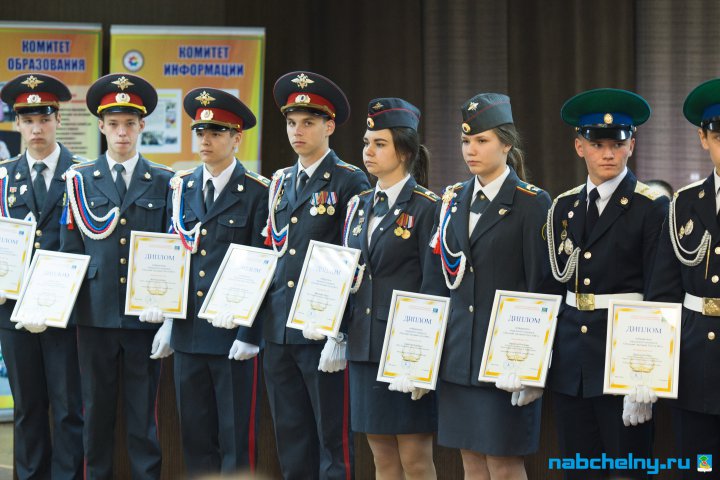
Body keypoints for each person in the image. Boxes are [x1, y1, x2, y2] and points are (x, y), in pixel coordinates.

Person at [422, 92, 551, 479]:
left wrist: (533, 366)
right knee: (472, 463)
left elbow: (540, 287)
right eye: (466, 141)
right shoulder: (452, 199)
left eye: (482, 140)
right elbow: (436, 282)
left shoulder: (531, 202)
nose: (471, 150)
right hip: (458, 355)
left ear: (506, 144)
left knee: (504, 464)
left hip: (506, 359)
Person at [545, 88, 669, 479]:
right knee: (578, 470)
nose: (608, 154)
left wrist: (645, 375)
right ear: (579, 146)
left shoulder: (652, 206)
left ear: (631, 145)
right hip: (572, 364)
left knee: (628, 471)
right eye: (597, 144)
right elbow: (551, 287)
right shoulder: (563, 206)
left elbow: (659, 295)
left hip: (623, 360)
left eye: (617, 144)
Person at [59, 73, 175, 479]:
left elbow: (172, 251)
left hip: (145, 314)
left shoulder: (165, 181)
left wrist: (168, 313)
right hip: (94, 314)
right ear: (101, 126)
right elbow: (69, 251)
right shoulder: (78, 180)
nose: (122, 132)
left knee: (144, 418)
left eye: (129, 123)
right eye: (114, 124)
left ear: (142, 126)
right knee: (96, 413)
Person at [260, 71, 370, 479]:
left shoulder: (349, 179)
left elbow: (354, 259)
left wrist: (339, 331)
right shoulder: (280, 181)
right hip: (280, 328)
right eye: (291, 122)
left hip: (321, 329)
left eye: (308, 122)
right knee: (291, 438)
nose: (298, 131)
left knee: (332, 441)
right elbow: (275, 253)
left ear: (329, 126)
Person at [158, 87, 269, 476]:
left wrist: (250, 334)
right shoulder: (181, 187)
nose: (205, 140)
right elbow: (173, 257)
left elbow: (263, 267)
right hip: (188, 333)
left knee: (236, 437)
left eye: (217, 132)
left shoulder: (257, 192)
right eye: (200, 132)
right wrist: (168, 319)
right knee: (195, 436)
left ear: (237, 139)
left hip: (232, 336)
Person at [341, 98, 438, 479]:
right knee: (381, 458)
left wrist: (423, 357)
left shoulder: (428, 207)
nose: (368, 151)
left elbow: (433, 285)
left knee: (415, 459)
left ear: (405, 151)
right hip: (364, 345)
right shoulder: (358, 204)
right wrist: (337, 330)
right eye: (367, 142)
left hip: (405, 349)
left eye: (379, 144)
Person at [0, 73, 84, 479]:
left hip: (65, 313)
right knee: (28, 407)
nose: (37, 128)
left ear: (58, 120)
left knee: (69, 408)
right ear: (17, 123)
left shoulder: (83, 175)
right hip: (14, 310)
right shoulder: (2, 178)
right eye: (28, 120)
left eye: (45, 119)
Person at [647, 78, 720, 478]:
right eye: (719, 136)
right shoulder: (685, 203)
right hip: (695, 365)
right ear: (703, 139)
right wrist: (650, 366)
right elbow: (663, 292)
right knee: (700, 468)